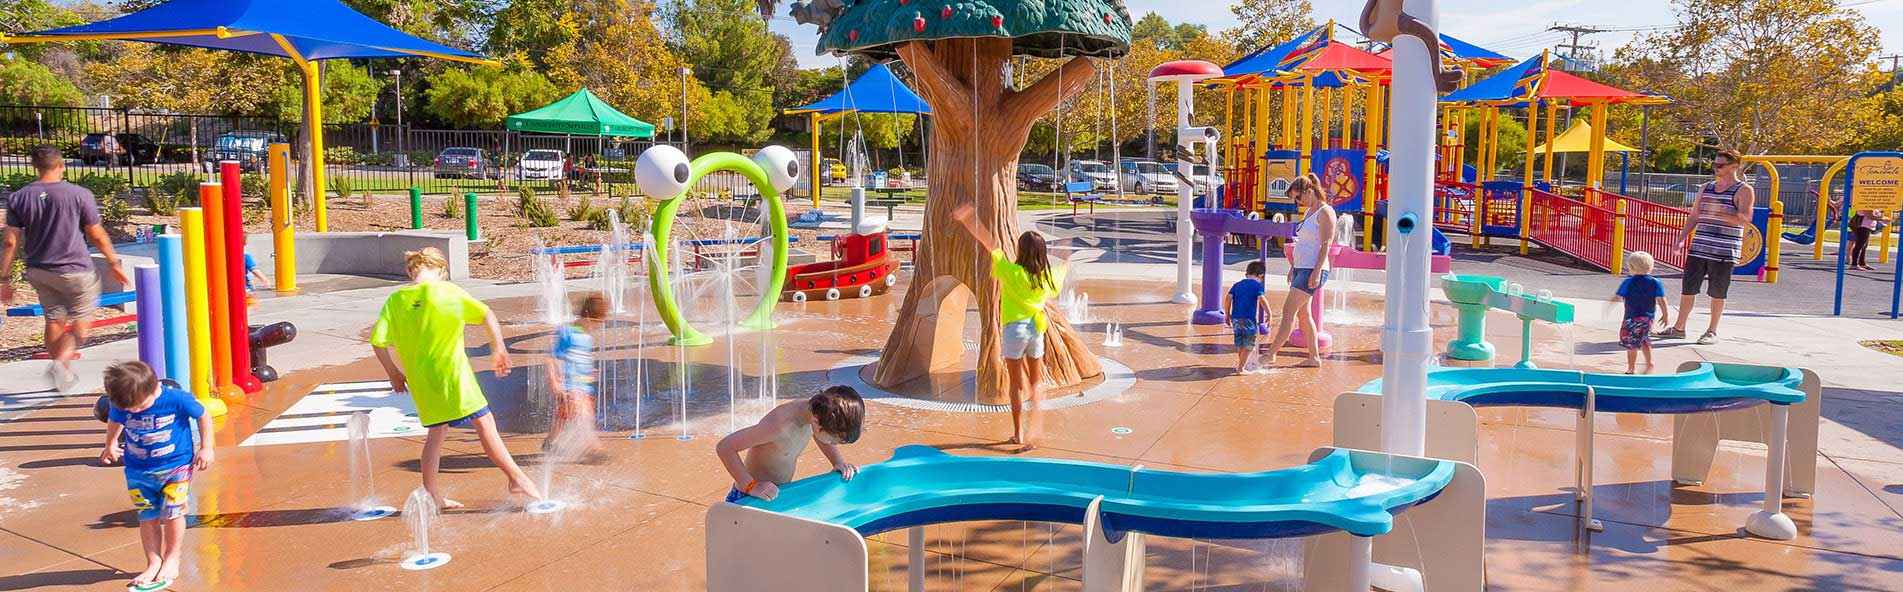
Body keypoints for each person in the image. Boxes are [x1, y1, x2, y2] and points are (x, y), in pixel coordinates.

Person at [370, 247, 542, 509]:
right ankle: (516, 478)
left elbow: (378, 342)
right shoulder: (448, 291)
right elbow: (486, 314)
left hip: (422, 381)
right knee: (485, 423)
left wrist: (393, 373)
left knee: (436, 434)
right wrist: (498, 348)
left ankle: (432, 495)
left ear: (410, 271)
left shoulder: (395, 301)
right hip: (454, 375)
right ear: (441, 271)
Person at [1, 145, 131, 393]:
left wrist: (4, 279)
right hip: (75, 270)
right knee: (81, 323)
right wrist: (113, 262)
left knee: (54, 318)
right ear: (61, 166)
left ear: (35, 167)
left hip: (39, 270)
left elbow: (10, 241)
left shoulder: (18, 197)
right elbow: (96, 233)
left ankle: (61, 372)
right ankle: (61, 364)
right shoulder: (79, 194)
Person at [948, 202, 1066, 450]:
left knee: (1015, 384)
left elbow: (990, 244)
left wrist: (969, 219)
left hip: (1015, 330)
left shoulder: (1011, 272)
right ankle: (1036, 423)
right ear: (1042, 253)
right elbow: (1062, 269)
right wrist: (1065, 255)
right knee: (1036, 382)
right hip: (1037, 330)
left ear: (1021, 251)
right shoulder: (1047, 277)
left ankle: (1018, 433)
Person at [98, 361, 214, 591]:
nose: (135, 411)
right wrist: (110, 444)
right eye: (130, 409)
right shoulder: (124, 401)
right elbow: (115, 421)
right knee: (147, 515)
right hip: (137, 470)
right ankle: (153, 562)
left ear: (154, 389)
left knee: (173, 513)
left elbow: (203, 415)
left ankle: (172, 558)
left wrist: (206, 447)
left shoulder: (177, 399)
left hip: (176, 466)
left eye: (140, 407)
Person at [715, 386, 864, 502]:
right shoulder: (778, 426)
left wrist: (838, 462)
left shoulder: (813, 413)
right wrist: (751, 486)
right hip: (748, 498)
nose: (833, 444)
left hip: (774, 493)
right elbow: (725, 447)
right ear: (817, 423)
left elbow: (821, 436)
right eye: (834, 440)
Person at [1665, 149, 1754, 345]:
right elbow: (1695, 215)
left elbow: (1745, 219)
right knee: (1688, 288)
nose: (1716, 168)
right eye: (1715, 164)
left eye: (1721, 165)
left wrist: (1720, 212)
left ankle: (1712, 330)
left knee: (1718, 291)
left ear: (1734, 166)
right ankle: (1679, 327)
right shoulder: (1705, 188)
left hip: (1724, 249)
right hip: (1700, 246)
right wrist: (1681, 238)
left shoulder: (1743, 190)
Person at [1261, 174, 1336, 368]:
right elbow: (1303, 243)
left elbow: (1325, 244)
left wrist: (1317, 271)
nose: (1297, 201)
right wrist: (1293, 267)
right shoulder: (1309, 212)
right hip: (1302, 268)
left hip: (1313, 269)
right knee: (1304, 315)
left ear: (1309, 191)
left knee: (1288, 312)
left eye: (1298, 197)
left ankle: (1271, 354)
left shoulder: (1325, 212)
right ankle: (1314, 357)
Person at [543, 293, 606, 456]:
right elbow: (551, 357)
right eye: (596, 322)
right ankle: (592, 447)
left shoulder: (586, 336)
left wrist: (589, 370)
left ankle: (550, 442)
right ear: (587, 316)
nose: (597, 326)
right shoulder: (567, 333)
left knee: (564, 416)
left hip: (583, 385)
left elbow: (580, 357)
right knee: (585, 415)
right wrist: (554, 381)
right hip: (570, 385)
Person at [1613, 251, 1669, 375]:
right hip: (1647, 318)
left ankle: (1631, 368)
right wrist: (1665, 315)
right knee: (1644, 340)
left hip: (1631, 317)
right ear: (1651, 267)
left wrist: (1609, 304)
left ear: (1631, 267)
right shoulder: (1655, 282)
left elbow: (1618, 296)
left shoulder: (1628, 282)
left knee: (1631, 343)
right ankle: (1649, 363)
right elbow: (1661, 300)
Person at [1224, 260, 1272, 373]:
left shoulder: (1237, 285)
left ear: (1246, 274)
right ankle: (1240, 368)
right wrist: (1269, 313)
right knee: (1249, 345)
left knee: (1240, 343)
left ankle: (1241, 364)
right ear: (1261, 275)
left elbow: (1228, 298)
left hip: (1236, 318)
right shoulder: (1257, 285)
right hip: (1249, 319)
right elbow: (1262, 299)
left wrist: (1227, 314)